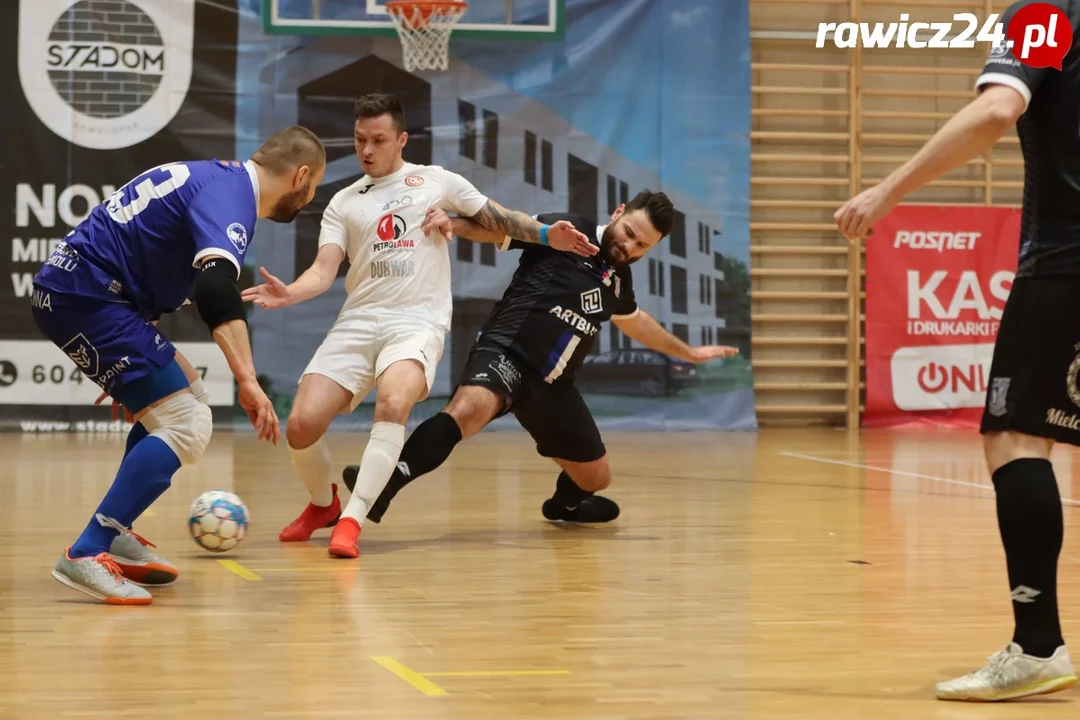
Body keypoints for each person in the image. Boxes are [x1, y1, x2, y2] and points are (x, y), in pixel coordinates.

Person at [833, 0, 1079, 700]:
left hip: (1065, 263)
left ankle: (1037, 646)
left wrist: (887, 191)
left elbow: (999, 108)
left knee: (1015, 437)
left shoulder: (1046, 9)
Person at [241, 93, 596, 559]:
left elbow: (497, 217)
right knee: (301, 426)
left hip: (416, 322)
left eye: (379, 140)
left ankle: (353, 518)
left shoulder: (435, 181)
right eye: (360, 140)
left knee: (393, 401)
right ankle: (323, 506)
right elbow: (324, 271)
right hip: (358, 321)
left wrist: (549, 235)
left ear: (401, 140)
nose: (367, 150)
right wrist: (290, 292)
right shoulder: (344, 201)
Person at [31, 126, 326, 605]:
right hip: (86, 298)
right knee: (188, 422)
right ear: (302, 176)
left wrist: (126, 364)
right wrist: (248, 381)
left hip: (88, 295)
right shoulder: (232, 198)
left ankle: (118, 533)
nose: (309, 199)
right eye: (312, 190)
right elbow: (214, 290)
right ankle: (88, 550)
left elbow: (144, 250)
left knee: (190, 399)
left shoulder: (214, 179)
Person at [343, 192, 739, 530]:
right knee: (466, 411)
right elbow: (504, 228)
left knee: (596, 476)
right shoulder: (566, 229)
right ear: (618, 213)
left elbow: (637, 323)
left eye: (642, 247)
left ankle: (563, 507)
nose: (629, 248)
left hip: (552, 386)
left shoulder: (619, 281)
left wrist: (688, 352)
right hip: (506, 353)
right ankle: (381, 486)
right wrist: (457, 224)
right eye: (630, 234)